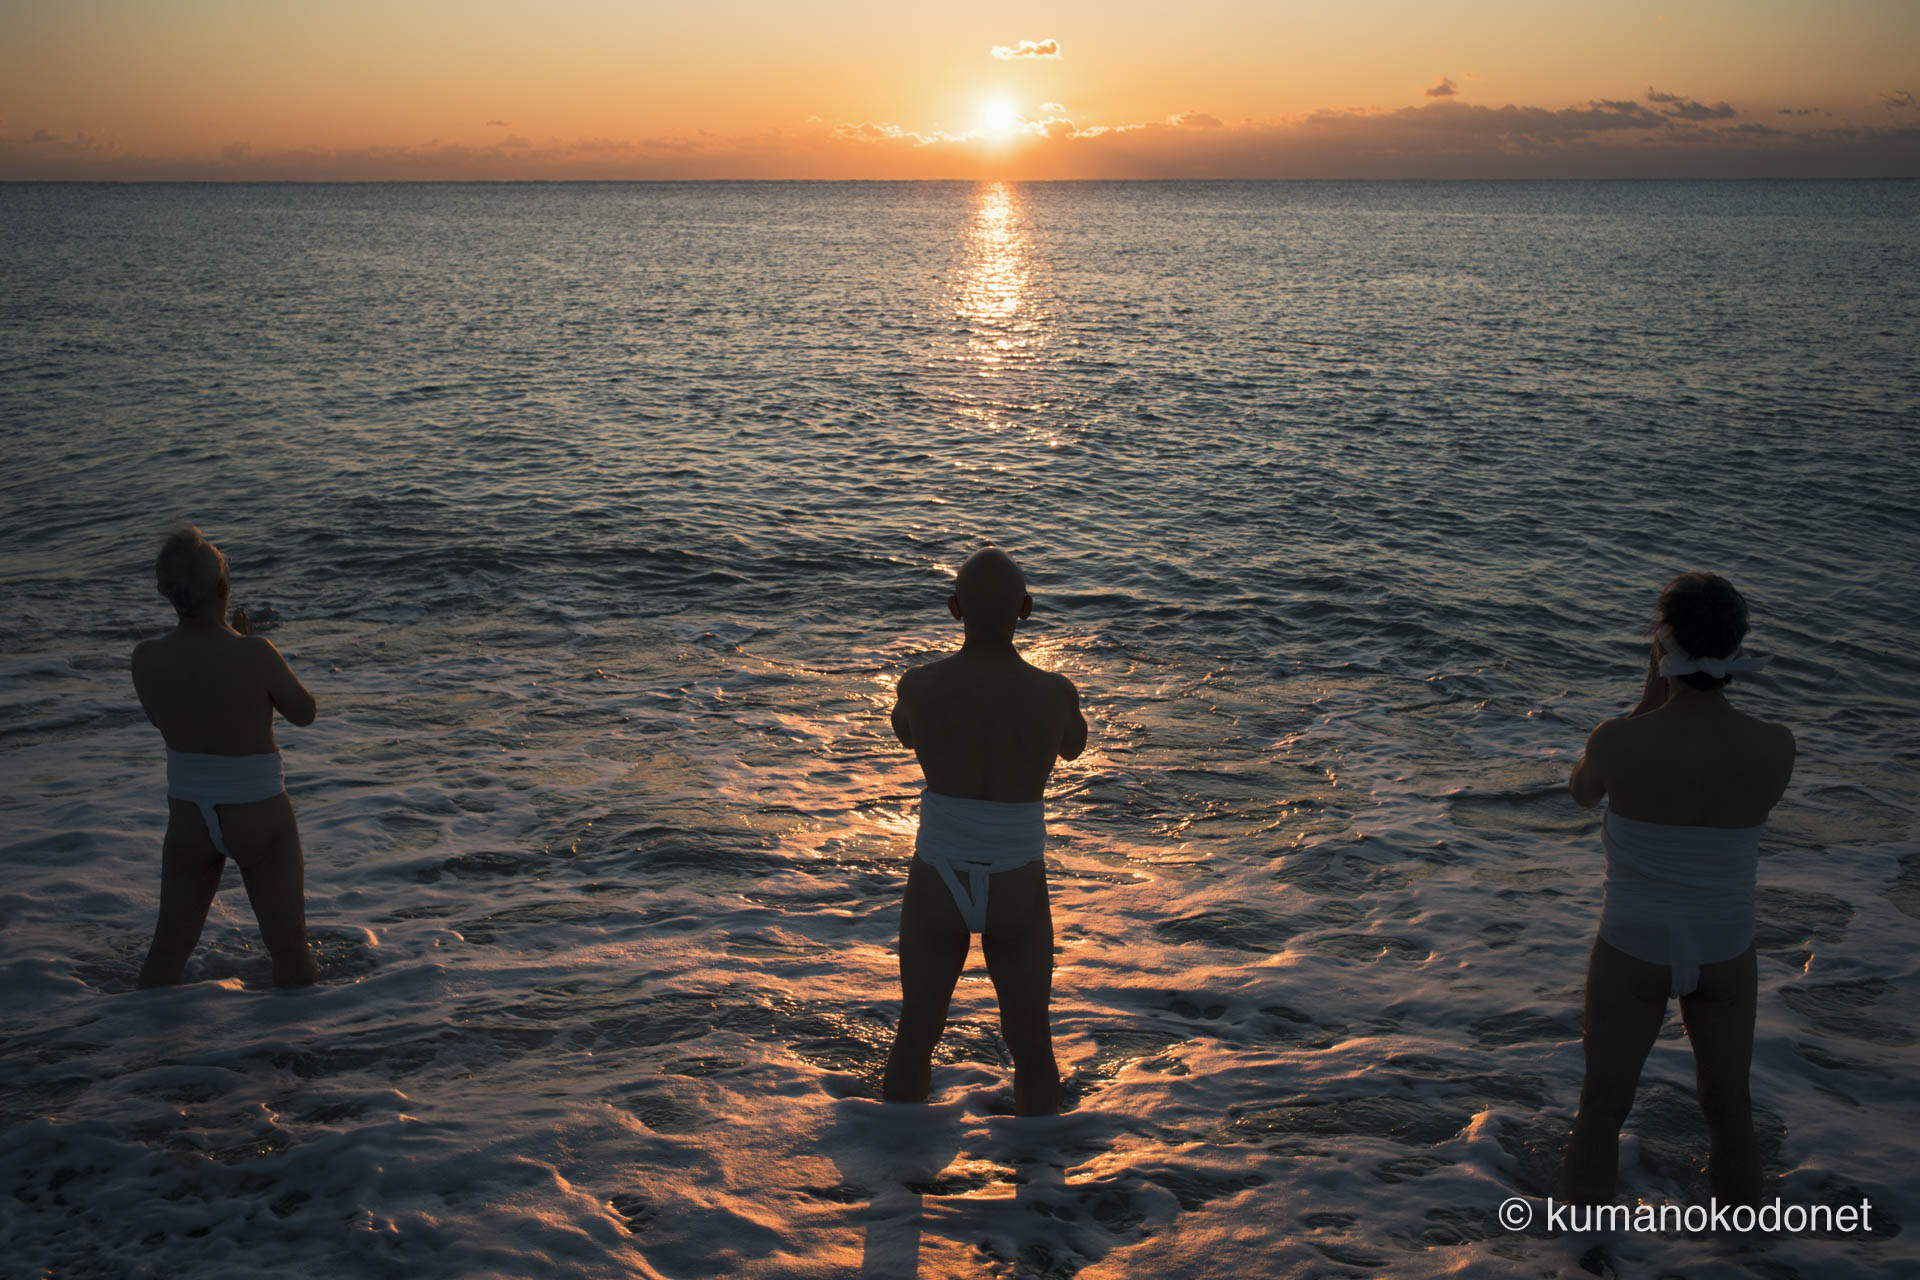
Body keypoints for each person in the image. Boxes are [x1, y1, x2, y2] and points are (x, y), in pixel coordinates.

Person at [1563, 572, 1795, 1206]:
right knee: (1729, 1111)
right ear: (1735, 648)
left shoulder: (1619, 739)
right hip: (1725, 946)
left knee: (1602, 1109)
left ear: (1660, 646)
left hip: (1633, 944)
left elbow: (1582, 794)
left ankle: (1585, 1256)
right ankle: (1743, 1254)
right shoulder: (1776, 747)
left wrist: (1647, 699)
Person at [882, 548, 1088, 1115]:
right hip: (1017, 882)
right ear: (1026, 609)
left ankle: (894, 1173)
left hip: (938, 878)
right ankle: (1041, 1178)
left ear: (954, 609)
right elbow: (1073, 747)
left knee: (917, 1031)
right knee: (1031, 1040)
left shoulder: (919, 685)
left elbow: (905, 733)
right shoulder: (1054, 692)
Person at [130, 523, 319, 988]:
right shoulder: (255, 653)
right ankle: (303, 1052)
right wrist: (249, 646)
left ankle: (136, 1048)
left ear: (167, 594)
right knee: (290, 952)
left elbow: (165, 719)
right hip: (258, 815)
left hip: (190, 817)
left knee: (167, 952)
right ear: (223, 588)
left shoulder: (145, 658)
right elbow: (304, 712)